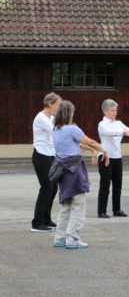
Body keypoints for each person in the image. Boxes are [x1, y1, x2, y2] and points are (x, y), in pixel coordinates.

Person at [52, 101, 109, 249]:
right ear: (69, 113)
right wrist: (104, 150)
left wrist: (91, 149)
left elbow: (79, 144)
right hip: (74, 170)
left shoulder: (56, 129)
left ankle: (60, 238)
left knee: (66, 205)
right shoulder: (72, 129)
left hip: (62, 170)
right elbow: (89, 140)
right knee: (79, 204)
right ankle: (72, 238)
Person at [97, 99, 129, 218]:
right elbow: (110, 133)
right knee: (105, 185)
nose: (115, 112)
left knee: (118, 185)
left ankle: (116, 210)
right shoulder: (102, 124)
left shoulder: (118, 123)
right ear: (105, 112)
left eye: (116, 110)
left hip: (117, 157)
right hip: (105, 157)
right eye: (112, 110)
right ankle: (101, 211)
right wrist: (124, 132)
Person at [31, 92, 62, 232]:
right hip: (41, 155)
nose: (59, 107)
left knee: (54, 187)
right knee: (47, 187)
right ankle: (37, 223)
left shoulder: (52, 117)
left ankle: (46, 219)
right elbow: (56, 131)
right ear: (49, 104)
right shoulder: (41, 118)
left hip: (50, 155)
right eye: (57, 105)